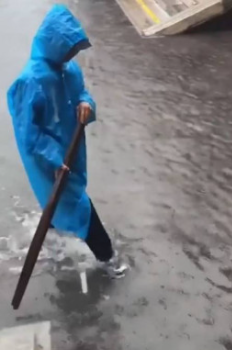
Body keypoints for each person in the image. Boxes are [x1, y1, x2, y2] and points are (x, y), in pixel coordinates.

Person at [7, 5, 128, 278]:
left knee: (59, 200)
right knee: (77, 204)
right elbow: (28, 133)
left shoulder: (68, 70)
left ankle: (52, 233)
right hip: (48, 159)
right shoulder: (31, 81)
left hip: (71, 149)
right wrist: (54, 158)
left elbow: (82, 93)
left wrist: (86, 104)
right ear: (54, 44)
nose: (73, 54)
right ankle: (108, 258)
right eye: (69, 48)